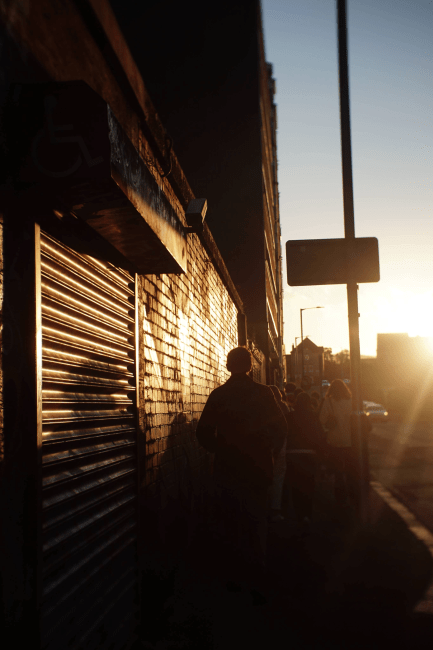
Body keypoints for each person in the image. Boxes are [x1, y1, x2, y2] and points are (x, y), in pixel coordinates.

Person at [195, 346, 287, 603]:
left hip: (229, 469)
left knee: (231, 522)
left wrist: (220, 450)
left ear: (227, 366)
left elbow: (202, 432)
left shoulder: (219, 395)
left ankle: (234, 580)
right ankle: (258, 577)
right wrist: (272, 452)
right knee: (256, 523)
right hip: (258, 469)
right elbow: (281, 427)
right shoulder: (265, 394)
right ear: (249, 366)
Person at [285, 391, 325, 528]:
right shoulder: (313, 416)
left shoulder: (290, 416)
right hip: (309, 454)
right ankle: (307, 514)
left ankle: (299, 515)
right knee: (309, 485)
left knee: (295, 485)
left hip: (292, 453)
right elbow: (320, 436)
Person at [319, 378, 356, 510]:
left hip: (334, 440)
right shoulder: (351, 401)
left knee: (338, 471)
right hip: (350, 441)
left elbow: (322, 419)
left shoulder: (328, 401)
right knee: (350, 469)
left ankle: (340, 498)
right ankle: (353, 496)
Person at [268, 386, 291, 522]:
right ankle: (275, 509)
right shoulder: (283, 407)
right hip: (281, 445)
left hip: (266, 446)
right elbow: (286, 427)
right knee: (278, 478)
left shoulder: (263, 407)